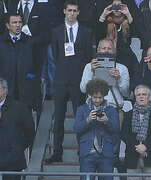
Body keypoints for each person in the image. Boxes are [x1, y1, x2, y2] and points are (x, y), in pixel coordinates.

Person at [46, 1, 94, 164]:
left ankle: (83, 151)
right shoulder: (56, 31)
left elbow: (88, 56)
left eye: (74, 11)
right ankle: (57, 153)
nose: (72, 13)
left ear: (78, 12)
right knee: (58, 118)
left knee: (80, 117)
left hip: (78, 80)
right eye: (69, 11)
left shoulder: (87, 32)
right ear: (64, 12)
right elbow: (56, 53)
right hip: (60, 79)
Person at [75, 79, 121, 180]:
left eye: (100, 97)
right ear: (90, 95)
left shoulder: (111, 110)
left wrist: (106, 121)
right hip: (87, 154)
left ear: (104, 95)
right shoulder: (82, 109)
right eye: (95, 97)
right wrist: (88, 119)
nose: (97, 100)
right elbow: (77, 129)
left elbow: (116, 129)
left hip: (105, 154)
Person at [0, 78, 35, 180]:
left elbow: (29, 133)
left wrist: (17, 149)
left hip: (12, 164)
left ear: (5, 90)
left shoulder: (19, 108)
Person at [0, 13, 41, 110]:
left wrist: (29, 77)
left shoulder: (31, 42)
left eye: (20, 22)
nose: (18, 25)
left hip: (26, 90)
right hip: (5, 89)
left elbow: (37, 66)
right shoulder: (1, 42)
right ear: (7, 25)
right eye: (14, 22)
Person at [80, 38, 131, 112]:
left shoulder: (122, 68)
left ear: (114, 51)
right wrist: (91, 72)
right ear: (98, 50)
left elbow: (126, 93)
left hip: (114, 108)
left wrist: (119, 78)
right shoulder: (89, 66)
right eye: (104, 48)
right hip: (93, 108)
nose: (106, 51)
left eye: (109, 48)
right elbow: (83, 89)